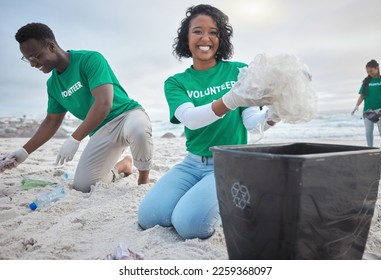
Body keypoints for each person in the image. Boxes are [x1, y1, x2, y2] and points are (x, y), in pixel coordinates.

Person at [138, 4, 277, 240]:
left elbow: (253, 123)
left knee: (190, 225)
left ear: (221, 38)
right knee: (150, 217)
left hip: (230, 163)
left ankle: (239, 193)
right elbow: (191, 120)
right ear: (186, 37)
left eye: (213, 32)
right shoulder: (176, 82)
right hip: (192, 163)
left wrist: (275, 114)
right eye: (197, 31)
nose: (206, 38)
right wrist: (230, 99)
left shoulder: (240, 71)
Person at [2, 22, 153, 192]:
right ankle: (124, 165)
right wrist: (24, 152)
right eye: (28, 59)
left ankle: (143, 181)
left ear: (51, 47)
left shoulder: (90, 59)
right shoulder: (53, 85)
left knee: (139, 131)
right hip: (101, 130)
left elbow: (103, 103)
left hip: (127, 116)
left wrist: (75, 138)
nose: (33, 64)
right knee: (83, 186)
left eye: (35, 57)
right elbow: (52, 121)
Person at [352, 59, 381, 147]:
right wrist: (357, 105)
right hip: (368, 110)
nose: (369, 73)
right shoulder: (366, 81)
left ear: (377, 68)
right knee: (368, 132)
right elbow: (362, 96)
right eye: (368, 72)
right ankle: (370, 149)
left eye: (371, 71)